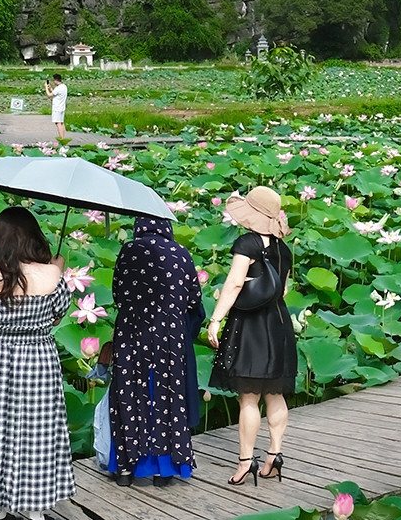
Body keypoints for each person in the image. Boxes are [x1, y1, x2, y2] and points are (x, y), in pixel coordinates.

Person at [0, 207, 72, 520]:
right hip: (36, 355)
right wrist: (58, 269)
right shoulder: (50, 275)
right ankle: (36, 515)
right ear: (33, 236)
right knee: (37, 433)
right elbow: (58, 314)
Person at [105, 215, 205, 486]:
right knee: (166, 396)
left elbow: (118, 293)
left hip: (131, 331)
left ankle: (125, 468)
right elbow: (194, 299)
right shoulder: (181, 253)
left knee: (128, 395)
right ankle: (165, 470)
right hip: (169, 334)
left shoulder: (128, 250)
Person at [209, 187, 298, 482]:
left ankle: (245, 461)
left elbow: (235, 284)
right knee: (275, 395)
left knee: (248, 398)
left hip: (251, 326)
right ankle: (274, 454)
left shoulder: (246, 243)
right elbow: (282, 290)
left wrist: (216, 319)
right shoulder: (284, 250)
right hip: (279, 324)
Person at [46, 73, 68, 143]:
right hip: (62, 107)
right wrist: (50, 88)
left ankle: (61, 139)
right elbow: (55, 93)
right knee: (61, 123)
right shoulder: (64, 86)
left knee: (58, 123)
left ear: (56, 80)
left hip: (57, 107)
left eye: (53, 80)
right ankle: (63, 137)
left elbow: (49, 95)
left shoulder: (58, 88)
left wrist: (46, 88)